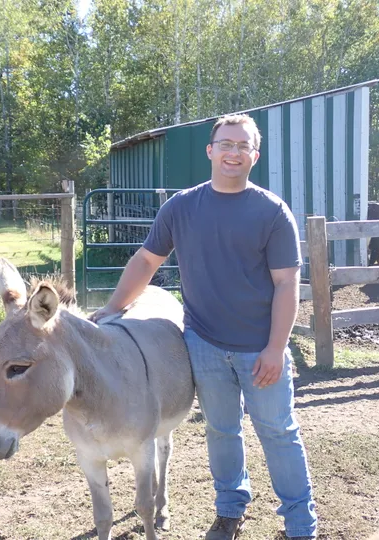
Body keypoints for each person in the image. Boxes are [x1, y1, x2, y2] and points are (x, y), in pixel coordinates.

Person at [90, 114, 318, 540]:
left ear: (255, 155)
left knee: (279, 433)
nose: (234, 152)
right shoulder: (182, 207)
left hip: (260, 350)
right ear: (211, 150)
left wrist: (274, 348)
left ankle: (300, 526)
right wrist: (113, 307)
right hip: (204, 345)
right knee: (221, 431)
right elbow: (146, 260)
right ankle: (230, 509)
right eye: (226, 144)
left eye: (243, 146)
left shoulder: (272, 212)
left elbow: (287, 283)